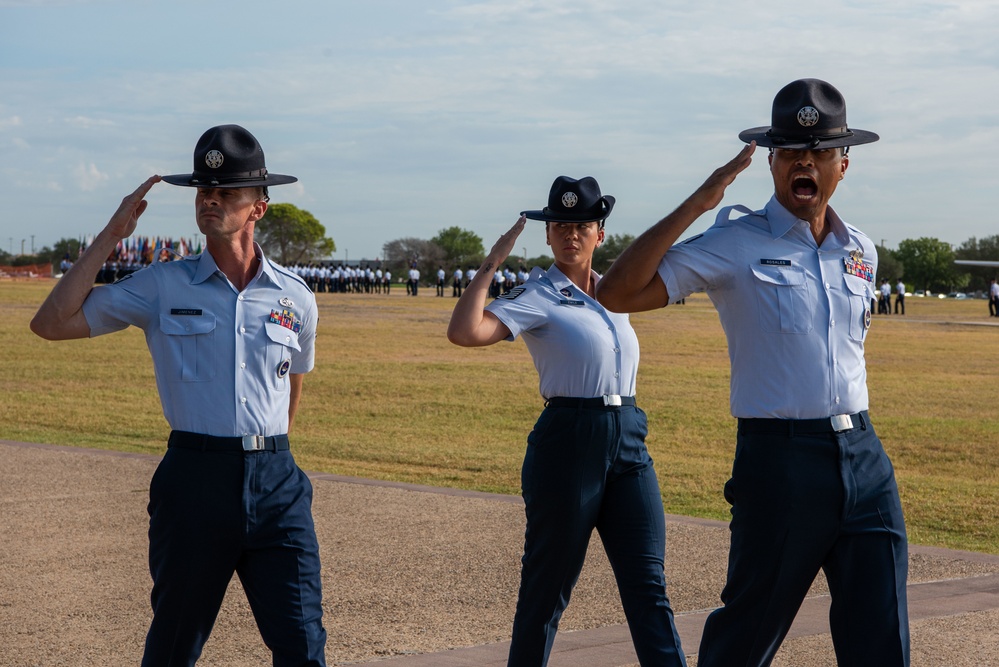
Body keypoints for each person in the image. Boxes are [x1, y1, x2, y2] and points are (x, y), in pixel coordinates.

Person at [596, 79, 909, 667]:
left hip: (865, 458)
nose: (805, 162)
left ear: (843, 164)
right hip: (780, 462)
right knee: (746, 636)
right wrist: (698, 203)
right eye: (791, 151)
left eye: (818, 152)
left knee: (882, 635)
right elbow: (616, 292)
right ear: (772, 162)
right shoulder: (734, 242)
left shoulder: (859, 249)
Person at [30, 125, 327, 666]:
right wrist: (110, 235)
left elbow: (293, 381)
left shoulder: (296, 297)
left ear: (258, 207)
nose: (210, 201)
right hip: (194, 479)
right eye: (202, 191)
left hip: (277, 481)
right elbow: (51, 322)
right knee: (173, 646)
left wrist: (266, 450)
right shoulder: (162, 285)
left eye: (226, 192)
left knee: (304, 646)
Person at [448, 176, 686, 667]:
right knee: (547, 588)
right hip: (569, 441)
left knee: (648, 584)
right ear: (549, 234)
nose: (570, 235)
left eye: (581, 226)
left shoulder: (617, 291)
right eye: (559, 226)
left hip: (629, 436)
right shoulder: (539, 294)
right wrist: (492, 262)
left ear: (600, 232)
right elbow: (465, 332)